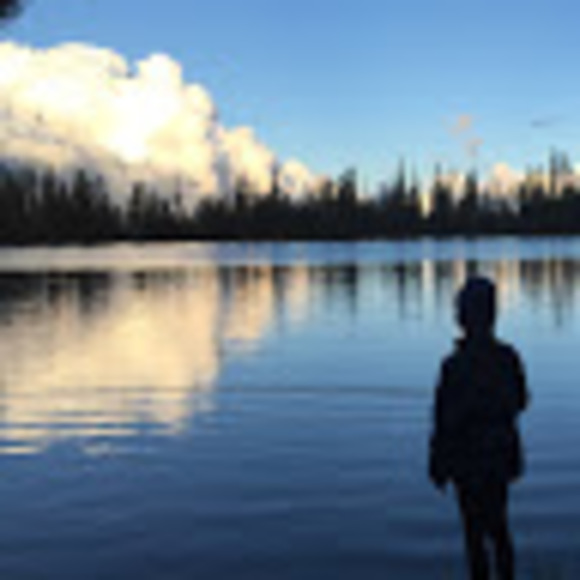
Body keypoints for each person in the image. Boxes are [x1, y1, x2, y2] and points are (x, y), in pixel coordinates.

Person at [429, 276, 529, 580]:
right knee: (498, 528)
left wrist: (438, 463)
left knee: (475, 534)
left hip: (469, 463)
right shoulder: (507, 358)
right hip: (497, 459)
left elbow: (443, 421)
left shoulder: (454, 366)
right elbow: (521, 401)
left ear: (463, 317)